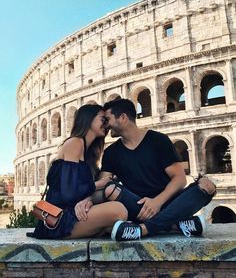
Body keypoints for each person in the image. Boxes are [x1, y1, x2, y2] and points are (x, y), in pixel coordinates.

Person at [96, 99, 216, 241]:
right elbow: (104, 182)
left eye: (108, 119)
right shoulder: (111, 152)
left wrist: (157, 202)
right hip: (137, 207)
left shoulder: (158, 140)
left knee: (207, 186)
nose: (106, 125)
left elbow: (179, 179)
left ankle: (143, 230)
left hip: (168, 202)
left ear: (123, 118)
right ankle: (174, 224)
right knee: (111, 188)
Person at [30, 104, 127, 239]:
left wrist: (89, 200)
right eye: (102, 119)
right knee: (119, 210)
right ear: (88, 119)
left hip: (72, 214)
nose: (106, 125)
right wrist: (99, 184)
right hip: (58, 220)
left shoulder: (87, 151)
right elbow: (69, 194)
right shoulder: (75, 143)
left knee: (116, 212)